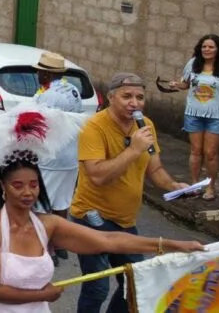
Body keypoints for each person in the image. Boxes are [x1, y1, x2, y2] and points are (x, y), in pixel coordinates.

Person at [0, 101, 204, 312]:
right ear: (3, 186)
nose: (28, 192)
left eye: (33, 184)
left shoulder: (47, 225)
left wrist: (173, 245)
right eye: (18, 185)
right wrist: (41, 295)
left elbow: (109, 241)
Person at [69, 72, 192, 313]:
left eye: (140, 97)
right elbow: (98, 175)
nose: (134, 103)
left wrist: (174, 187)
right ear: (110, 98)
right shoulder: (93, 127)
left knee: (135, 283)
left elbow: (154, 168)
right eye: (127, 96)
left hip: (125, 221)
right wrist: (134, 149)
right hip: (92, 216)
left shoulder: (146, 126)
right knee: (97, 287)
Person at [31, 52, 84, 263]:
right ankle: (59, 243)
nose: (36, 73)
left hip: (51, 159)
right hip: (70, 157)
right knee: (62, 203)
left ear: (45, 73)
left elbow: (40, 126)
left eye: (38, 70)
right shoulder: (72, 89)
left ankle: (46, 250)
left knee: (42, 206)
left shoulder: (48, 96)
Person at [169, 33, 219, 201]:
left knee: (211, 153)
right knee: (195, 151)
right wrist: (178, 85)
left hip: (216, 116)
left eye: (211, 47)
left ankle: (210, 187)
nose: (206, 50)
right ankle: (195, 185)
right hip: (193, 114)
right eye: (204, 47)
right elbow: (186, 84)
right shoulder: (193, 63)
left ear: (218, 49)